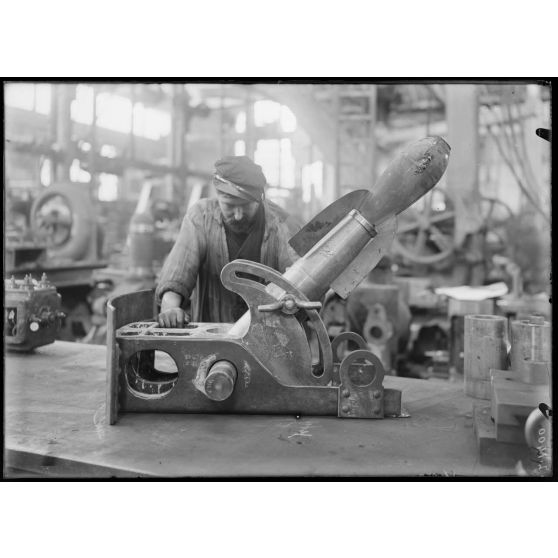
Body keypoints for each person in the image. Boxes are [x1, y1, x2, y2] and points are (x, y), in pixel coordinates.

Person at [156, 155, 300, 327]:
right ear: (217, 196)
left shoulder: (280, 223)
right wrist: (170, 308)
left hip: (268, 336)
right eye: (230, 206)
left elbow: (299, 279)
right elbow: (179, 270)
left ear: (259, 200)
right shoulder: (201, 217)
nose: (238, 216)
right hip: (212, 338)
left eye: (246, 206)